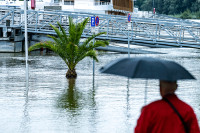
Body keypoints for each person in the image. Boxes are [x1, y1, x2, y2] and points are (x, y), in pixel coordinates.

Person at [135, 80, 200, 133]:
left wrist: (144, 113)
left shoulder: (150, 110)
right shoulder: (188, 110)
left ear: (160, 88)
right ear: (176, 87)